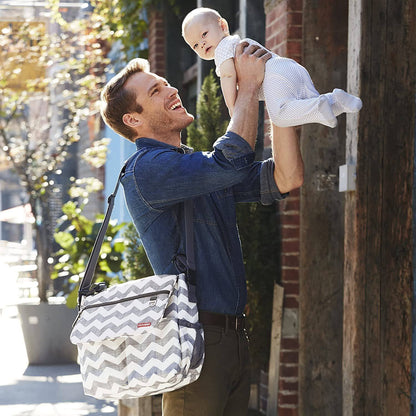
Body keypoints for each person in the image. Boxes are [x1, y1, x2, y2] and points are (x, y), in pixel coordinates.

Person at [100, 41, 304, 416]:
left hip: (232, 339)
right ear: (133, 120)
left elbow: (285, 177)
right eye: (155, 91)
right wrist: (248, 88)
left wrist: (277, 100)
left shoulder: (194, 169)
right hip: (195, 341)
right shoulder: (147, 170)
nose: (171, 90)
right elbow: (230, 161)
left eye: (165, 83)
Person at [182, 7, 362, 128]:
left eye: (204, 34)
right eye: (195, 45)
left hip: (274, 76)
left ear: (222, 26)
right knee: (306, 107)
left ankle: (320, 106)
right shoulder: (235, 42)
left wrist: (232, 108)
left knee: (280, 116)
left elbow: (228, 76)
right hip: (290, 67)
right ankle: (336, 100)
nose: (202, 43)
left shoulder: (223, 48)